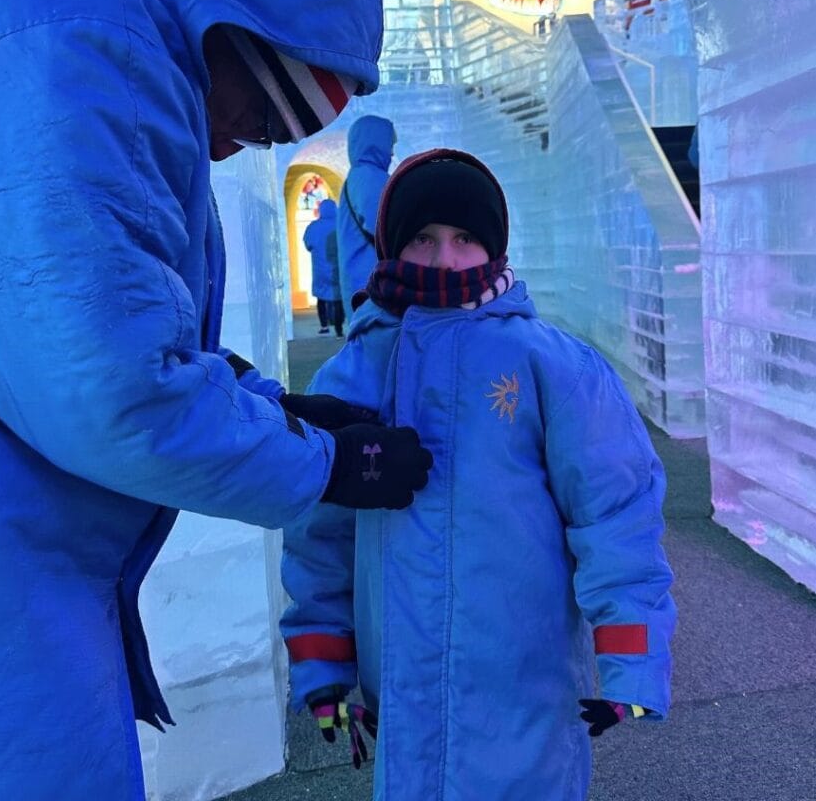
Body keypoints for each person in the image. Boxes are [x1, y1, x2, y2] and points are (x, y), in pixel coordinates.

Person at [0, 0, 434, 800]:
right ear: (236, 35)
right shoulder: (90, 35)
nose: (234, 145)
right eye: (261, 118)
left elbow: (43, 317)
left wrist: (270, 406)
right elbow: (110, 385)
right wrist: (322, 463)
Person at [281, 149, 677, 800]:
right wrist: (323, 662)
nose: (444, 258)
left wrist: (631, 654)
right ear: (392, 245)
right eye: (422, 237)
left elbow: (615, 516)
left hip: (527, 679)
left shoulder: (552, 366)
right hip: (402, 684)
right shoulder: (352, 374)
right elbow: (319, 535)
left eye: (464, 237)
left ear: (493, 246)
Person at [336, 113, 395, 317]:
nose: (392, 152)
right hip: (372, 280)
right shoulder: (370, 177)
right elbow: (384, 228)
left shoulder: (358, 176)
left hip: (360, 277)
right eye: (389, 144)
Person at [303, 198, 345, 336]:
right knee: (338, 297)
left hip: (320, 268)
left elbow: (308, 245)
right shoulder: (341, 224)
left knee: (321, 297)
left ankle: (324, 326)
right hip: (338, 268)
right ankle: (339, 329)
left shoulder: (313, 227)